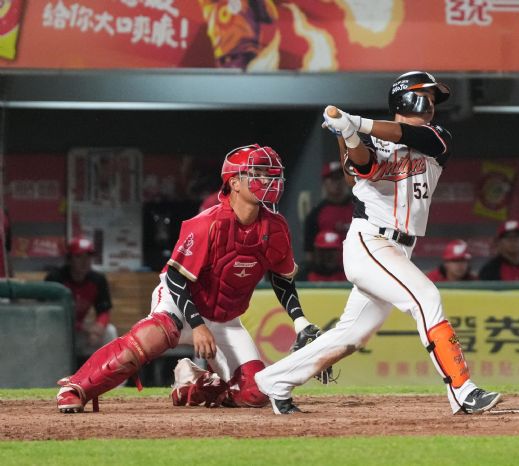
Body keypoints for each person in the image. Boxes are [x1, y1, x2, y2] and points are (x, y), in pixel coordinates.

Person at [255, 71, 502, 415]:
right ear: (406, 98)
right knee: (426, 296)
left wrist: (354, 122)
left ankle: (274, 380)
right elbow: (364, 166)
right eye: (426, 95)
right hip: (371, 241)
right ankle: (463, 390)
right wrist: (347, 134)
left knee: (352, 334)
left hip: (400, 247)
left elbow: (409, 135)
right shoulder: (371, 140)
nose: (431, 103)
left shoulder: (437, 136)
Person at [56, 144, 325, 413]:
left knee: (255, 394)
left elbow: (282, 278)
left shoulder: (276, 227)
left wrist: (300, 321)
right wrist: (197, 325)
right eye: (257, 173)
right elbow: (175, 277)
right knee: (148, 339)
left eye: (271, 174)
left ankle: (193, 387)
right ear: (234, 182)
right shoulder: (207, 223)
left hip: (224, 318)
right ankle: (76, 387)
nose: (267, 181)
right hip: (179, 305)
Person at [45, 237, 118, 358]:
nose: (85, 261)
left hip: (80, 332)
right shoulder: (55, 278)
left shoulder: (98, 280)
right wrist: (86, 328)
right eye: (79, 257)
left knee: (110, 331)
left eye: (88, 256)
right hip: (55, 332)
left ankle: (115, 376)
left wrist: (99, 328)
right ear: (69, 259)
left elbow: (103, 310)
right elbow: (50, 316)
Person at [303, 160, 354, 266]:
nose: (337, 183)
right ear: (325, 182)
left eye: (340, 178)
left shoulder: (360, 208)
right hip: (328, 275)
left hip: (357, 268)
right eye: (332, 179)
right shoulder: (316, 214)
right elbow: (309, 253)